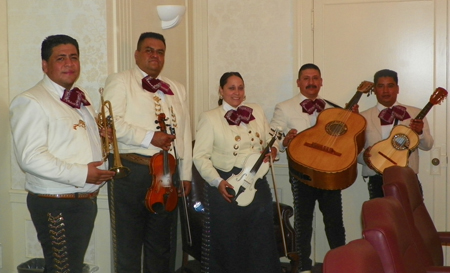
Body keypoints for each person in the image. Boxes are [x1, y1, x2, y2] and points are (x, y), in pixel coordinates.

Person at [9, 34, 115, 272]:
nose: (69, 63)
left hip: (84, 201)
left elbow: (70, 143)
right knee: (62, 269)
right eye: (61, 58)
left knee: (71, 267)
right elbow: (31, 158)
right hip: (55, 202)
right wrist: (83, 174)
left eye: (74, 57)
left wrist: (102, 138)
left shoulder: (82, 100)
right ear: (45, 65)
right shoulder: (31, 101)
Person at [103, 32, 192, 273]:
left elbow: (184, 133)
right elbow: (111, 123)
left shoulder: (177, 88)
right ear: (137, 54)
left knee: (162, 245)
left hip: (167, 174)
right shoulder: (120, 81)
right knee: (128, 244)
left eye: (160, 52)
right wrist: (149, 137)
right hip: (131, 172)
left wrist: (185, 175)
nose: (155, 55)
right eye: (149, 50)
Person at [193, 72, 282, 273]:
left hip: (257, 183)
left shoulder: (256, 111)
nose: (237, 92)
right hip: (227, 184)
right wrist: (218, 182)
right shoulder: (209, 118)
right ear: (221, 90)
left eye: (240, 87)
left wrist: (274, 149)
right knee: (229, 242)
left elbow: (272, 138)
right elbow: (199, 157)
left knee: (261, 240)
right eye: (231, 88)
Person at [269, 63, 346, 273]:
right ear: (298, 82)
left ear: (321, 82)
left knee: (334, 222)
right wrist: (284, 142)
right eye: (306, 78)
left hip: (329, 174)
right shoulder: (284, 107)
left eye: (315, 78)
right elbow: (273, 136)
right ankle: (303, 267)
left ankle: (341, 266)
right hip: (301, 173)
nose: (311, 82)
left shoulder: (334, 109)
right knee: (303, 223)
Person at [357, 69, 434, 199]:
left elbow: (428, 146)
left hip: (408, 175)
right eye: (381, 86)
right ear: (375, 89)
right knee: (381, 218)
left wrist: (420, 132)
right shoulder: (362, 118)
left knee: (412, 218)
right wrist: (365, 158)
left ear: (397, 89)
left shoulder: (415, 114)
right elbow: (355, 149)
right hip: (377, 178)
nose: (386, 91)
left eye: (390, 86)